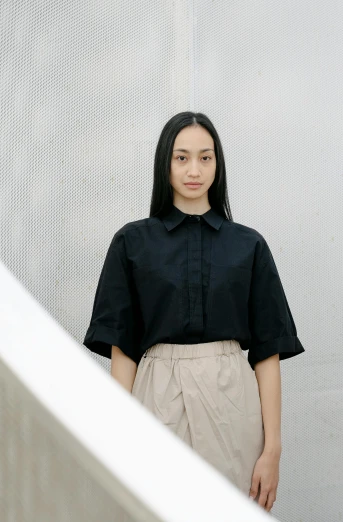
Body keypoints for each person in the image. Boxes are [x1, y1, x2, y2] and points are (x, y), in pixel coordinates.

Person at [83, 111, 304, 513]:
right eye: (181, 157)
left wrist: (272, 449)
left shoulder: (248, 245)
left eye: (206, 157)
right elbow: (123, 349)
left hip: (232, 398)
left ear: (218, 165)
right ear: (164, 163)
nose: (194, 170)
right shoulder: (132, 243)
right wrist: (116, 438)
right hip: (156, 395)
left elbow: (268, 354)